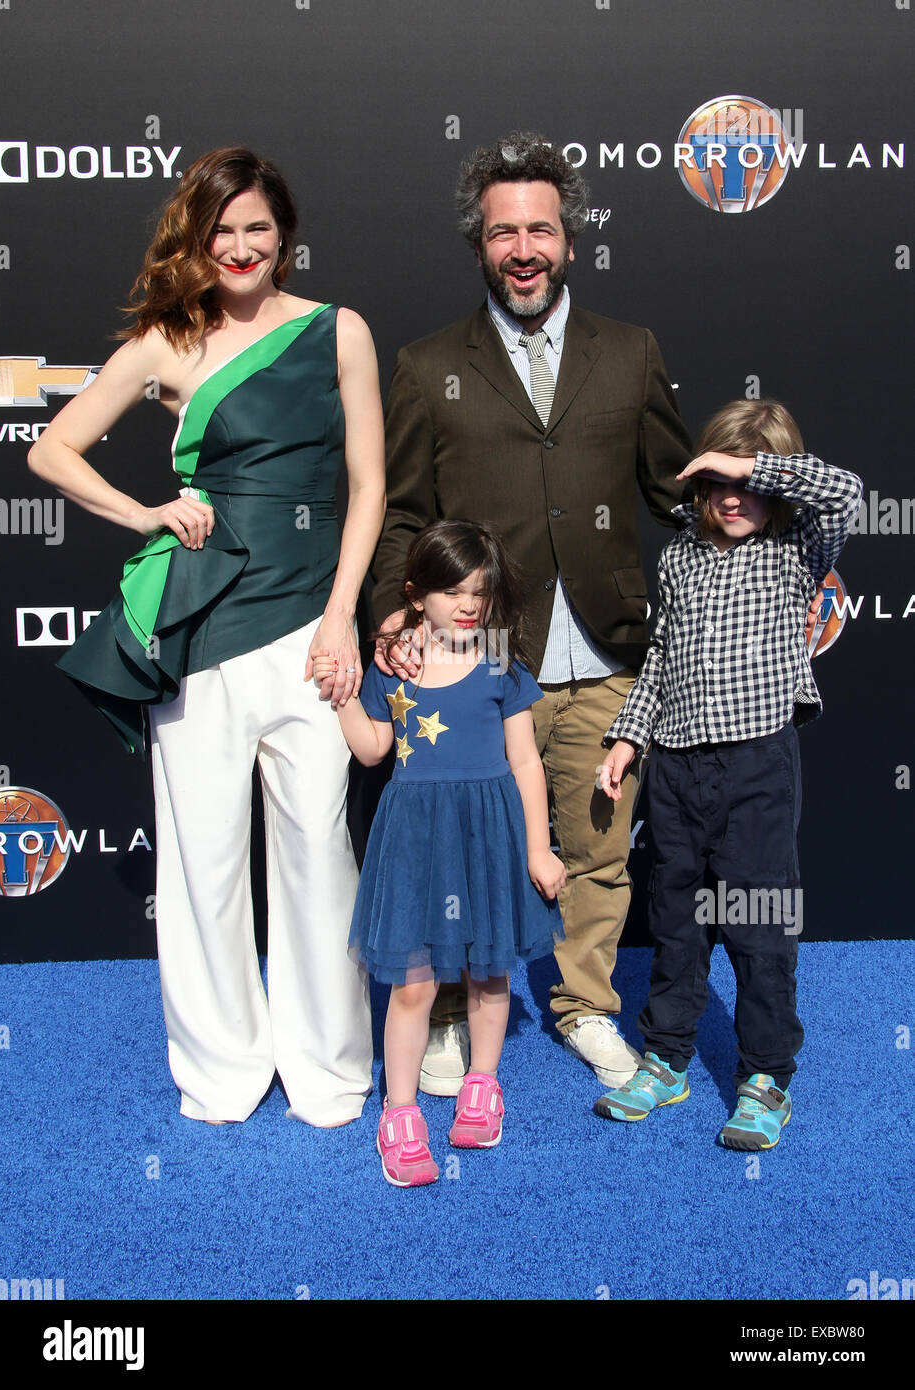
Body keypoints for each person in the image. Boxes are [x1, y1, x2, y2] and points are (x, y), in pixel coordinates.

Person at [27, 147, 385, 1127]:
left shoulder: (336, 331)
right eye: (222, 230)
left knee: (320, 851)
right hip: (199, 628)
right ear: (200, 238)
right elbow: (49, 448)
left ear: (285, 235)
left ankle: (328, 1066)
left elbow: (368, 487)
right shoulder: (163, 342)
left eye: (257, 228)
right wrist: (142, 511)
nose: (240, 247)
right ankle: (222, 1068)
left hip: (310, 629)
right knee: (205, 862)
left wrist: (342, 615)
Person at [370, 132, 693, 1096]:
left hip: (604, 651)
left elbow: (678, 491)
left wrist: (768, 542)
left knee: (597, 846)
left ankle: (586, 1004)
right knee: (464, 842)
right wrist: (395, 611)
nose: (523, 248)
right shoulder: (429, 367)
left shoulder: (631, 353)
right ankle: (443, 1017)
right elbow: (402, 514)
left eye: (540, 230)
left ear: (569, 239)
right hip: (478, 662)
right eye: (503, 231)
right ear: (480, 244)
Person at [597, 400, 862, 1149]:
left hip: (756, 769)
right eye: (719, 484)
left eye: (747, 484)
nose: (736, 499)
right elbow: (661, 661)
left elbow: (845, 489)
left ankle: (765, 1077)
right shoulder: (679, 556)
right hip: (677, 769)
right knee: (676, 923)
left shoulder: (795, 547)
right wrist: (627, 738)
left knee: (756, 928)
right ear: (698, 487)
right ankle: (668, 1059)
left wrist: (750, 465)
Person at [315, 520, 564, 1186]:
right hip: (414, 839)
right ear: (415, 593)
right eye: (452, 590)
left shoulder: (499, 662)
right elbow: (371, 749)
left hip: (487, 835)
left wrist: (539, 850)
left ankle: (483, 1084)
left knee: (489, 973)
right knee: (413, 986)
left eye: (479, 592)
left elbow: (526, 763)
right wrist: (342, 697)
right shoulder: (394, 663)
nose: (467, 604)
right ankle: (399, 1114)